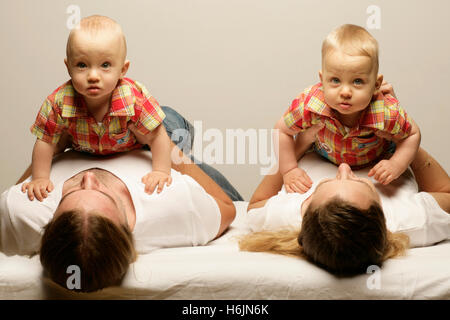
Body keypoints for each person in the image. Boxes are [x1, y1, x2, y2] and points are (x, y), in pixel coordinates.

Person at [0, 107, 242, 293]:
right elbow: (226, 207)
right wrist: (166, 148)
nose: (89, 178)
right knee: (166, 117)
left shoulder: (22, 213)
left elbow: (24, 184)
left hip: (77, 142)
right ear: (127, 228)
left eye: (72, 192)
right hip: (150, 152)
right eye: (104, 194)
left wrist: (57, 146)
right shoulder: (173, 207)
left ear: (49, 223)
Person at [239, 121, 450, 277]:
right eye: (360, 181)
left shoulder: (288, 216)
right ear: (382, 213)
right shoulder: (410, 220)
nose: (344, 168)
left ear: (306, 210)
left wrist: (299, 146)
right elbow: (445, 191)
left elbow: (256, 204)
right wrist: (404, 143)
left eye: (325, 183)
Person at [22, 15, 173, 202]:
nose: (93, 76)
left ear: (123, 70)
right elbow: (45, 142)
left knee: (177, 145)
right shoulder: (58, 103)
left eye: (105, 65)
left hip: (151, 129)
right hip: (94, 146)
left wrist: (160, 171)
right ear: (68, 67)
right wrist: (40, 178)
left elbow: (158, 136)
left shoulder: (135, 101)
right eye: (82, 65)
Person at [274, 24, 421, 194]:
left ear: (376, 85)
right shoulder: (311, 104)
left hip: (373, 161)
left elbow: (413, 134)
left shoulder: (385, 111)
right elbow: (281, 130)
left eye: (357, 81)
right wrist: (289, 169)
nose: (345, 92)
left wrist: (396, 163)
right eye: (335, 80)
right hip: (325, 158)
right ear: (322, 80)